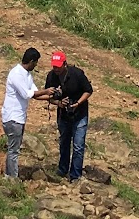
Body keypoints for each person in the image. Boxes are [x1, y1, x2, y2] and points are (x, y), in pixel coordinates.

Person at [42, 50, 93, 182]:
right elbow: (48, 96)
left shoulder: (77, 74)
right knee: (64, 142)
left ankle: (75, 174)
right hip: (63, 115)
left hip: (80, 114)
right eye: (54, 66)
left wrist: (77, 103)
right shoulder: (51, 76)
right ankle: (62, 168)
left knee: (78, 145)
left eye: (58, 66)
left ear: (65, 64)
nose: (56, 69)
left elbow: (88, 90)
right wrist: (59, 103)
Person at [0, 47, 49, 179]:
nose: (36, 65)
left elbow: (35, 93)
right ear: (31, 61)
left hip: (19, 118)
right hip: (13, 117)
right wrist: (46, 91)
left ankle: (10, 175)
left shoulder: (27, 75)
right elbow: (26, 94)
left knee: (14, 149)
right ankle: (11, 177)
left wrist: (53, 98)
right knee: (14, 150)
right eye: (36, 62)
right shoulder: (16, 74)